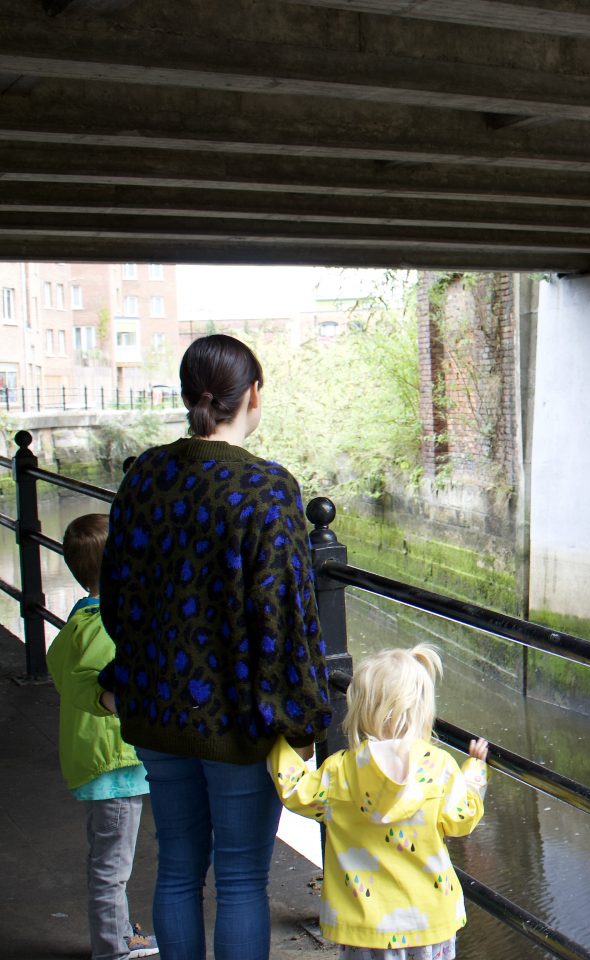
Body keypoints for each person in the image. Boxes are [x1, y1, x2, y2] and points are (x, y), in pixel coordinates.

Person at [98, 334, 331, 960]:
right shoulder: (266, 489)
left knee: (176, 870)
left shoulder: (144, 475)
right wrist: (303, 717)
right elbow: (288, 620)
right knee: (240, 882)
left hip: (155, 712)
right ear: (252, 394)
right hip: (238, 722)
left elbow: (116, 596)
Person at [269, 644, 488, 960]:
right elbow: (462, 818)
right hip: (429, 917)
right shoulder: (439, 768)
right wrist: (474, 771)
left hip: (364, 923)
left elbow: (295, 790)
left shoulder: (340, 770)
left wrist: (278, 743)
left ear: (361, 709)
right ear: (422, 710)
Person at [48, 514, 159, 960]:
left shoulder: (82, 618)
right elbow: (94, 684)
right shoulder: (106, 627)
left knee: (108, 857)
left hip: (100, 761)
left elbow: (66, 672)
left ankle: (120, 933)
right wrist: (113, 699)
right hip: (115, 763)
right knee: (112, 865)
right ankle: (113, 948)